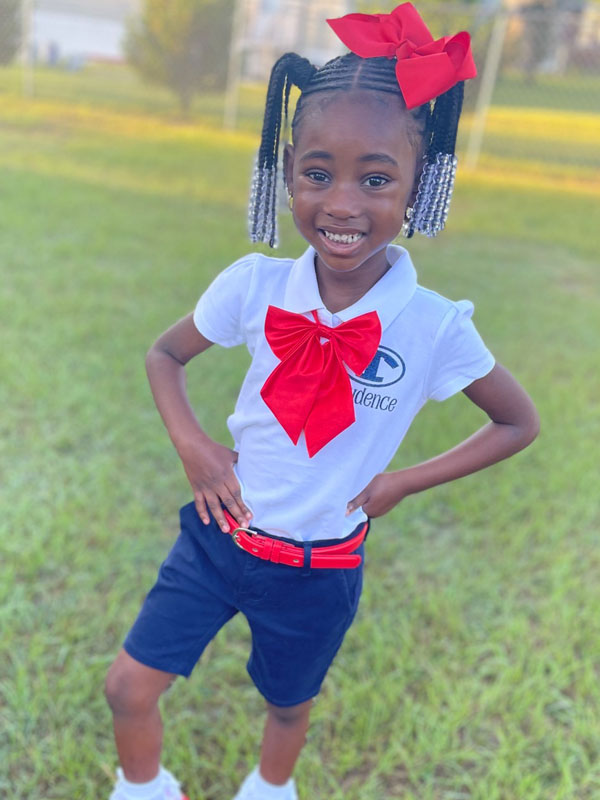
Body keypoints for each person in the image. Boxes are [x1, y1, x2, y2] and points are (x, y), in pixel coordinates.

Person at [104, 4, 540, 800]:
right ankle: (143, 788)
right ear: (286, 170)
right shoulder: (254, 284)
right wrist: (194, 445)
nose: (342, 203)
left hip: (319, 567)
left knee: (288, 705)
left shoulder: (434, 325)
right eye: (317, 172)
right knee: (127, 687)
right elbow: (165, 354)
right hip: (216, 539)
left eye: (376, 178)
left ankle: (270, 790)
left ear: (419, 183)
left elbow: (517, 421)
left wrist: (405, 480)